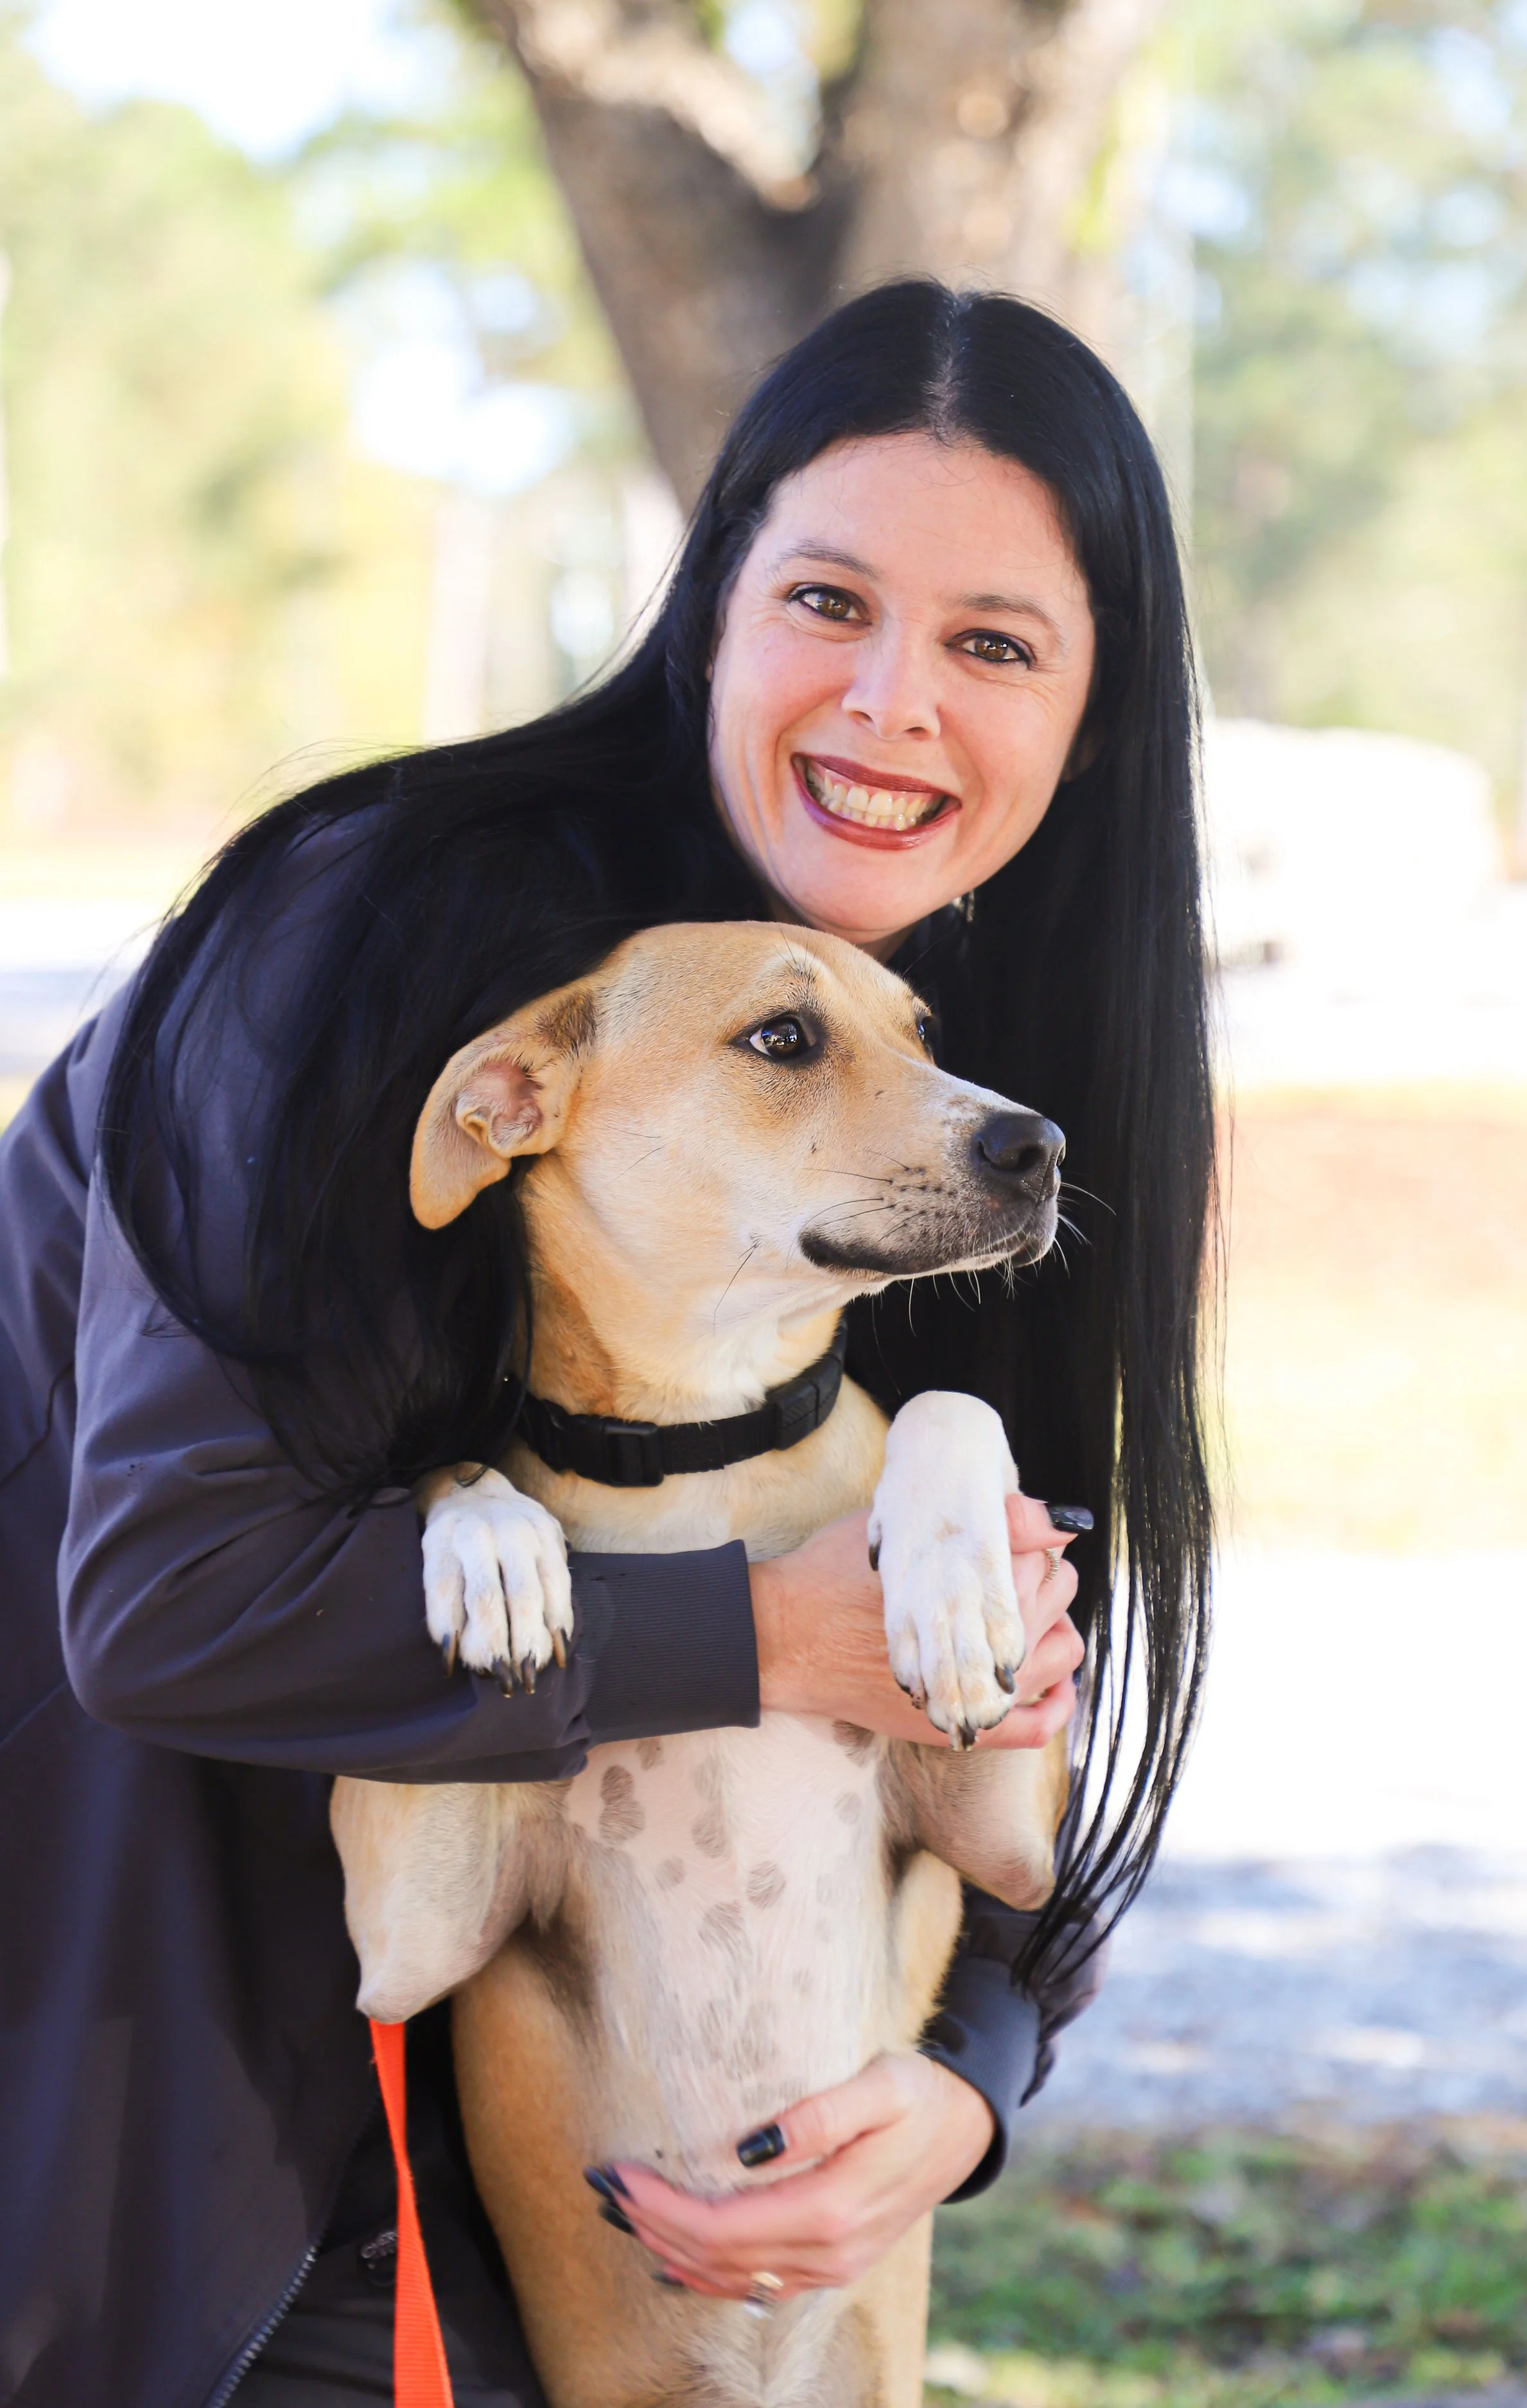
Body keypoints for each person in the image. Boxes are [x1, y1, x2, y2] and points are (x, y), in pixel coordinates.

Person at [0, 279, 1213, 2407]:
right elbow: (163, 1600)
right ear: (708, 605)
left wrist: (967, 2084)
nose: (889, 700)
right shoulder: (360, 940)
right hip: (169, 2084)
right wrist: (763, 1635)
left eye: (993, 644)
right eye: (827, 598)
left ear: (1089, 717)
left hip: (571, 2090)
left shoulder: (944, 1094)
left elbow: (1015, 1642)